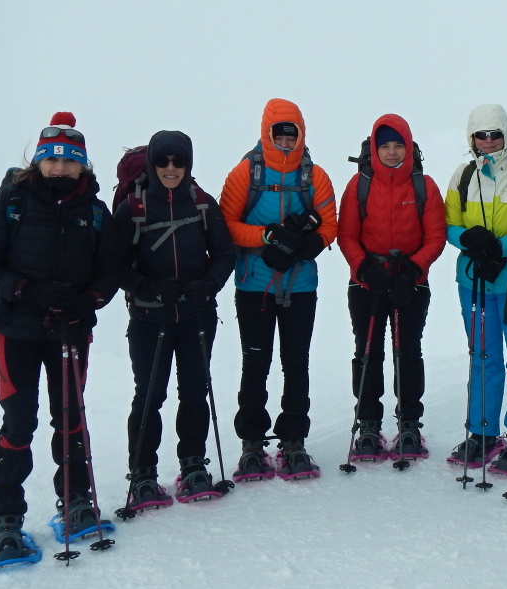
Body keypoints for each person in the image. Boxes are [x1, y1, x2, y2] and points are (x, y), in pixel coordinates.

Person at [0, 112, 121, 569]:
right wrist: (26, 291)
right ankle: (7, 518)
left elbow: (110, 270)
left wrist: (88, 300)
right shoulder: (10, 203)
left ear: (82, 166)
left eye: (68, 161)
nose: (58, 168)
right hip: (16, 330)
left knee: (70, 416)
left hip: (70, 331)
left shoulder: (94, 212)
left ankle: (75, 502)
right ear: (38, 162)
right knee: (18, 423)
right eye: (51, 160)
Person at [219, 98, 337, 481]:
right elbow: (227, 224)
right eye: (279, 135)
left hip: (300, 285)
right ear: (266, 134)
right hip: (255, 284)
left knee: (296, 363)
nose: (286, 143)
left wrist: (307, 246)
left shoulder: (314, 176)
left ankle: (294, 441)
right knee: (255, 363)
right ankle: (252, 444)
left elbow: (330, 224)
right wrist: (268, 237)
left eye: (293, 136)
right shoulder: (244, 175)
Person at [115, 131, 235, 508]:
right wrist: (148, 288)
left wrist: (209, 285)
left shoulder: (202, 204)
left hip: (196, 315)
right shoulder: (132, 208)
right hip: (150, 319)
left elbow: (225, 253)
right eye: (163, 161)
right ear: (152, 163)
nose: (170, 169)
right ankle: (143, 474)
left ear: (188, 164)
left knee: (195, 390)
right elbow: (113, 264)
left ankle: (193, 465)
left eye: (178, 162)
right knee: (150, 395)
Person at [336, 114, 446, 460]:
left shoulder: (424, 185)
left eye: (398, 145)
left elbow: (436, 237)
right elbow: (347, 236)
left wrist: (412, 270)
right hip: (368, 281)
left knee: (408, 352)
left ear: (408, 146)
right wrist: (365, 267)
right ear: (374, 148)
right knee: (368, 353)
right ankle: (368, 425)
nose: (393, 152)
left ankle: (409, 424)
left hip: (409, 282)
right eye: (385, 146)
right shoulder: (359, 185)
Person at [444, 103, 507, 473]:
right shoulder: (463, 175)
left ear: (506, 134)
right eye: (481, 135)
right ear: (471, 138)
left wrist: (501, 247)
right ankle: (483, 433)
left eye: (495, 134)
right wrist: (470, 240)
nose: (488, 142)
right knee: (482, 358)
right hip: (475, 284)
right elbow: (449, 224)